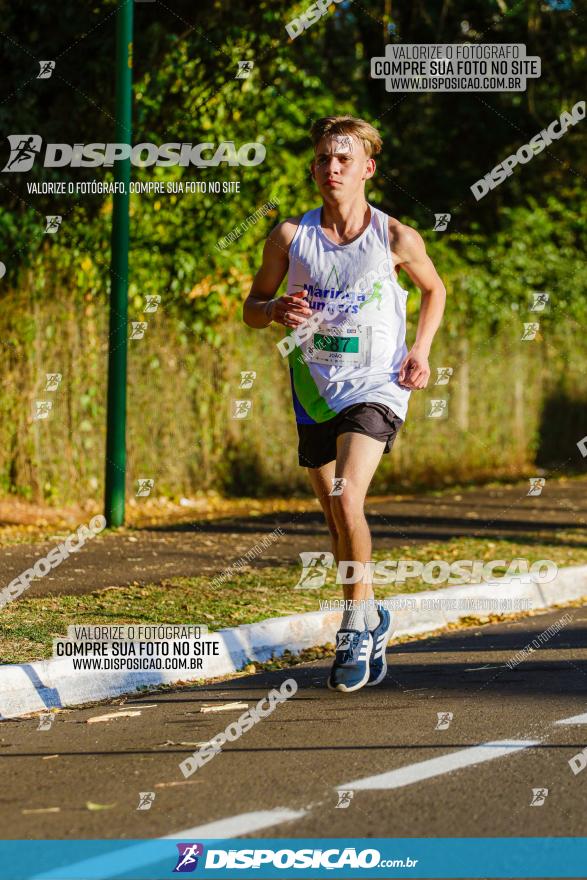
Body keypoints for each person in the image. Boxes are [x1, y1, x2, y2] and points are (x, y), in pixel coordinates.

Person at [243, 115, 446, 693]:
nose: (331, 169)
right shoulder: (289, 237)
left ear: (367, 169)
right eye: (323, 160)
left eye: (344, 159)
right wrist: (276, 310)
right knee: (336, 517)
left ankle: (355, 626)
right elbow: (252, 306)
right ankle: (375, 612)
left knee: (346, 494)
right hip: (314, 386)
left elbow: (436, 290)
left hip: (377, 385)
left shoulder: (395, 238)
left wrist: (422, 349)